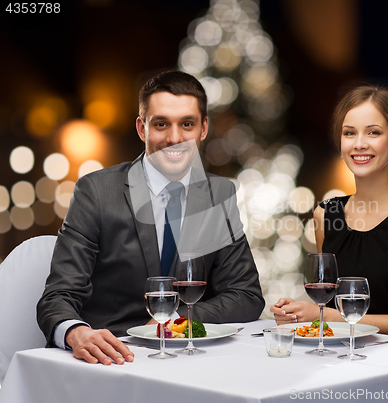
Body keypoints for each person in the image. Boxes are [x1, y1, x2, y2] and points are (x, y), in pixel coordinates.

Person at [37, 70, 265, 365]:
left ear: (204, 128)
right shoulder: (96, 191)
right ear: (142, 129)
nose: (174, 138)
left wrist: (174, 321)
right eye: (160, 124)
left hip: (194, 360)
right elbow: (58, 297)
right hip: (112, 360)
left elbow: (246, 296)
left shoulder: (218, 195)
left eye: (187, 124)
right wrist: (76, 332)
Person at [271, 85, 388, 339]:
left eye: (373, 132)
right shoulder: (325, 215)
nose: (359, 144)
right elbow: (328, 304)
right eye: (349, 133)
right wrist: (295, 314)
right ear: (341, 144)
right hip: (342, 355)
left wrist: (321, 315)